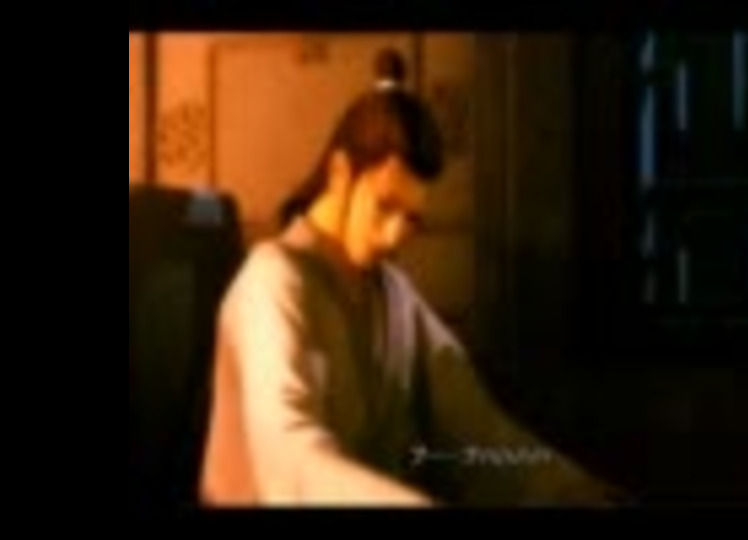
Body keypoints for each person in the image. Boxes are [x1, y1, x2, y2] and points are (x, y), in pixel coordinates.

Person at [200, 49, 623, 507]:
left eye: (411, 219)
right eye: (385, 206)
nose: (395, 235)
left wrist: (572, 490)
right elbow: (291, 463)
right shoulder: (272, 282)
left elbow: (478, 431)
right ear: (340, 173)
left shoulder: (394, 295)